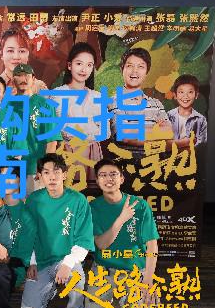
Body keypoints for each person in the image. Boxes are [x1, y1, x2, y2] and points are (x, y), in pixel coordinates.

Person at [7, 153, 94, 308]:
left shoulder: (78, 200)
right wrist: (31, 262)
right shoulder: (34, 200)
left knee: (76, 276)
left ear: (64, 174)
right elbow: (29, 234)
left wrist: (67, 264)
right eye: (46, 172)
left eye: (56, 171)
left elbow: (84, 240)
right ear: (40, 176)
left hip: (66, 260)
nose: (52, 177)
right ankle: (50, 288)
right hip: (42, 261)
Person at [86, 159, 159, 308]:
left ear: (121, 179)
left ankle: (132, 305)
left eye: (113, 174)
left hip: (134, 270)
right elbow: (101, 244)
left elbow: (152, 244)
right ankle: (109, 296)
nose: (108, 179)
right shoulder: (92, 207)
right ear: (97, 181)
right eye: (103, 175)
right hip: (104, 270)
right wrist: (121, 219)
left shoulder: (140, 205)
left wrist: (148, 280)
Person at [48, 42, 105, 181]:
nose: (84, 69)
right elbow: (53, 128)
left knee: (91, 191)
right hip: (65, 152)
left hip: (92, 153)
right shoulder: (56, 94)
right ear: (69, 65)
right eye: (79, 63)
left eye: (89, 65)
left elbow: (105, 131)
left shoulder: (97, 96)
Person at [108, 47, 172, 159]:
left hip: (158, 164)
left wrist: (136, 131)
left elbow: (169, 133)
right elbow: (126, 136)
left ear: (147, 72)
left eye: (141, 66)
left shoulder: (157, 104)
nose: (135, 71)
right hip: (128, 165)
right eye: (130, 66)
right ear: (122, 69)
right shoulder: (113, 102)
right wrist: (157, 130)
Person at [10, 64, 62, 195]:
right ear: (12, 80)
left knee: (36, 204)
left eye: (26, 76)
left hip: (34, 169)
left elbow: (52, 142)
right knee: (12, 206)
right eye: (19, 76)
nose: (23, 79)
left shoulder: (44, 105)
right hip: (9, 170)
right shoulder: (6, 106)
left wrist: (46, 169)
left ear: (33, 79)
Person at [0, 26, 47, 95]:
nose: (16, 57)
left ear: (28, 55)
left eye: (22, 51)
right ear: (1, 55)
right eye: (10, 51)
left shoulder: (39, 87)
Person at [167, 74, 208, 147]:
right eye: (181, 92)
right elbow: (164, 143)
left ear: (196, 95)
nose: (185, 96)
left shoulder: (201, 120)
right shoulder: (168, 116)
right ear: (175, 95)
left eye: (190, 92)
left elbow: (202, 146)